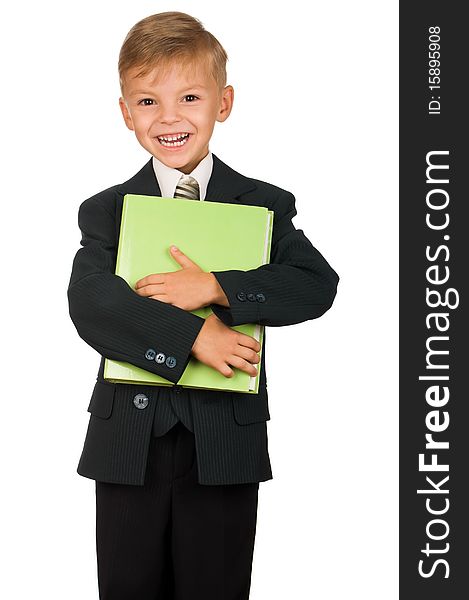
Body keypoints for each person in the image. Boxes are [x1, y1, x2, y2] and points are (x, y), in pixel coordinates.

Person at [67, 10, 339, 600]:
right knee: (128, 586)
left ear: (224, 102)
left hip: (224, 444)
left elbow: (316, 284)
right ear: (125, 112)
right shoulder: (106, 210)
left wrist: (217, 285)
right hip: (128, 442)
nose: (169, 118)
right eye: (147, 102)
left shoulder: (264, 205)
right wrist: (194, 337)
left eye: (189, 96)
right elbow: (92, 302)